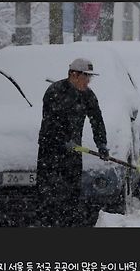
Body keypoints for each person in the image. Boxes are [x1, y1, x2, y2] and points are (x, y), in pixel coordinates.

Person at [36, 58, 109, 227]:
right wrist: (61, 141)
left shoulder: (88, 95)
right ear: (74, 75)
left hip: (73, 152)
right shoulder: (55, 92)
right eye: (86, 76)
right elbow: (50, 122)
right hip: (50, 152)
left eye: (91, 77)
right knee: (50, 195)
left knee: (72, 194)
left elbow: (97, 120)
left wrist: (102, 144)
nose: (89, 81)